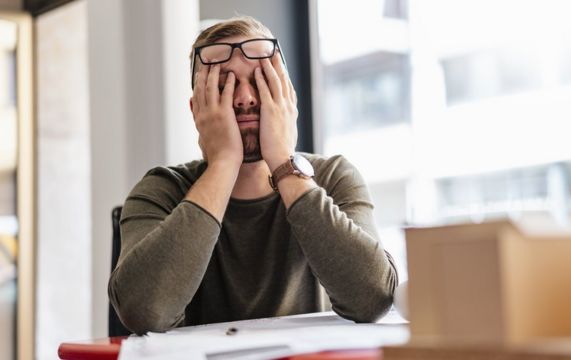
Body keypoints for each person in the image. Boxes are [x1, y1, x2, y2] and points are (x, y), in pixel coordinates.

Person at [108, 15, 398, 334]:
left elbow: (373, 299)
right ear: (196, 110)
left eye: (261, 81)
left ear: (287, 98)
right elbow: (143, 311)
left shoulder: (333, 177)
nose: (245, 98)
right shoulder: (161, 189)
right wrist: (224, 163)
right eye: (223, 87)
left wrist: (283, 162)